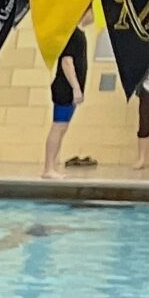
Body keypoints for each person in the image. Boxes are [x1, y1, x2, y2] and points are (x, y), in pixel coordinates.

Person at [44, 9, 90, 179]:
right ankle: (48, 168)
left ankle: (52, 165)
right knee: (58, 127)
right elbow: (67, 62)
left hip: (67, 88)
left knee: (62, 128)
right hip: (65, 88)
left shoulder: (77, 34)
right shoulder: (73, 34)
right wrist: (76, 88)